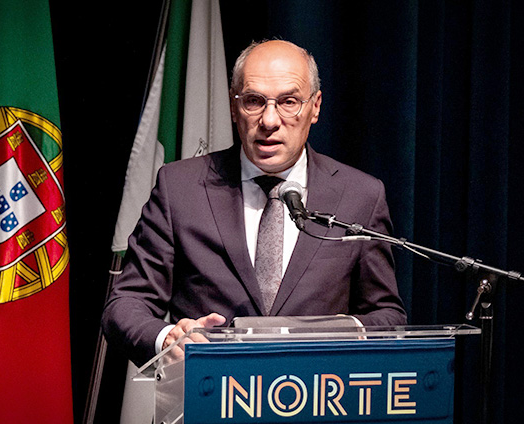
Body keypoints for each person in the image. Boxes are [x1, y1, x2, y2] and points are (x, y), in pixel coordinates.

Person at [102, 40, 407, 367]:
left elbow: (387, 314)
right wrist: (168, 338)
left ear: (315, 106)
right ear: (234, 107)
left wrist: (340, 332)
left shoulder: (360, 195)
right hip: (209, 388)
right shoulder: (180, 188)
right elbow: (125, 304)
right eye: (253, 101)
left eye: (288, 102)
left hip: (318, 390)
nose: (269, 120)